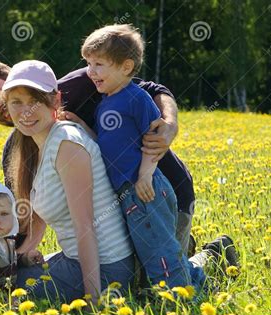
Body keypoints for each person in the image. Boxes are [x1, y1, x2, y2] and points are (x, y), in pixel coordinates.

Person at [0, 60, 195, 257]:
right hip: (120, 217)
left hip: (163, 194)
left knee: (161, 282)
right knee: (133, 278)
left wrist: (169, 124)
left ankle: (211, 253)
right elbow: (20, 211)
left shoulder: (79, 84)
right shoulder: (15, 150)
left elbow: (151, 90)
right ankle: (182, 249)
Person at [77, 24, 208, 289]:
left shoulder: (135, 97)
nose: (90, 72)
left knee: (161, 255)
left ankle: (182, 303)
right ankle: (199, 282)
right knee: (152, 254)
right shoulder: (106, 102)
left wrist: (145, 175)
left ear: (126, 67)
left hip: (145, 189)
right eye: (88, 63)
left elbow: (153, 140)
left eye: (98, 64)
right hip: (131, 191)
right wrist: (80, 126)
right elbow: (106, 144)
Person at [1, 60, 135, 304]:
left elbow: (86, 227)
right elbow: (41, 218)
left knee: (2, 289)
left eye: (35, 101)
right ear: (7, 108)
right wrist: (19, 255)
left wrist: (93, 298)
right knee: (3, 277)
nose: (26, 112)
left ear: (55, 100)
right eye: (17, 103)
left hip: (107, 269)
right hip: (76, 258)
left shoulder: (66, 144)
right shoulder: (42, 145)